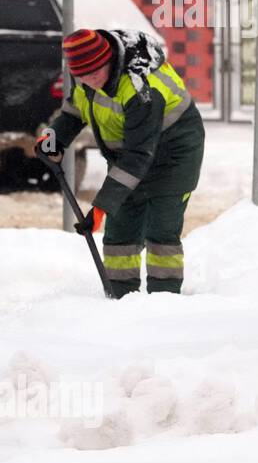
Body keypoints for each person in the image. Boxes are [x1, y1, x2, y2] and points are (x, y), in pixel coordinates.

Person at [41, 28, 205, 298]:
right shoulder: (84, 74)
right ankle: (119, 297)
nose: (89, 81)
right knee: (121, 227)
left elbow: (139, 155)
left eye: (95, 73)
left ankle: (163, 300)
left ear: (109, 61)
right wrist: (54, 137)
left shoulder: (140, 88)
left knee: (161, 229)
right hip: (129, 152)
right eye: (82, 75)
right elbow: (74, 109)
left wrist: (101, 206)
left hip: (174, 153)